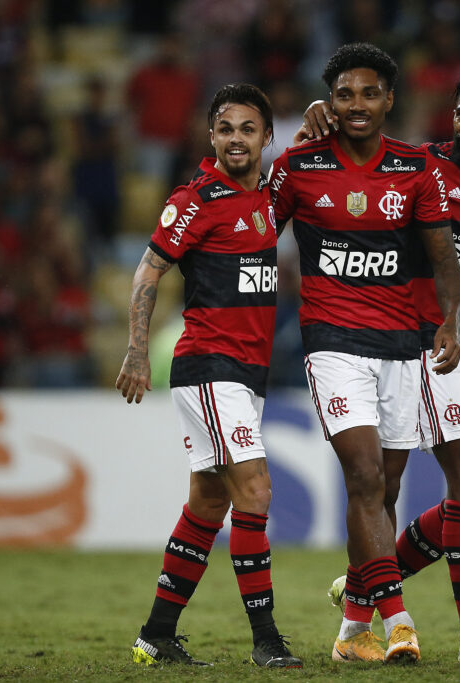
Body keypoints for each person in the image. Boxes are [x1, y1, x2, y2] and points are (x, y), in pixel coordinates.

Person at [300, 72, 460, 665]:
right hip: (436, 344)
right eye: (459, 114)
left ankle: (367, 581)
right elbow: (362, 146)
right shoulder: (422, 164)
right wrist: (324, 111)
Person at [269, 43, 460, 664]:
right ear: (330, 99)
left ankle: (353, 631)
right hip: (332, 343)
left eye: (369, 93)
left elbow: (442, 258)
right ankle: (399, 621)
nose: (357, 104)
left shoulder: (416, 167)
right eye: (345, 94)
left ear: (389, 100)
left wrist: (451, 322)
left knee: (385, 492)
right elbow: (248, 225)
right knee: (364, 476)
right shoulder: (299, 165)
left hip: (402, 345)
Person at [115, 84, 301, 669]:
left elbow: (308, 167)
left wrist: (318, 121)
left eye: (248, 129)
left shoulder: (270, 200)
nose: (236, 139)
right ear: (211, 136)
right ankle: (267, 641)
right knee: (256, 489)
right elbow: (149, 272)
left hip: (247, 373)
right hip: (208, 366)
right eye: (226, 128)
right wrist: (137, 351)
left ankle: (157, 634)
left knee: (208, 501)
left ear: (267, 138)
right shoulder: (196, 198)